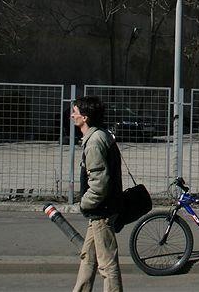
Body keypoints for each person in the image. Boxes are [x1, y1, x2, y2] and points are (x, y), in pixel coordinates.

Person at [71, 96, 124, 292]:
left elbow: (99, 184)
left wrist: (84, 203)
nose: (72, 115)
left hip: (102, 211)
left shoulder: (94, 142)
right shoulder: (101, 135)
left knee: (107, 264)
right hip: (101, 210)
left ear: (85, 117)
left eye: (75, 112)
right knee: (88, 258)